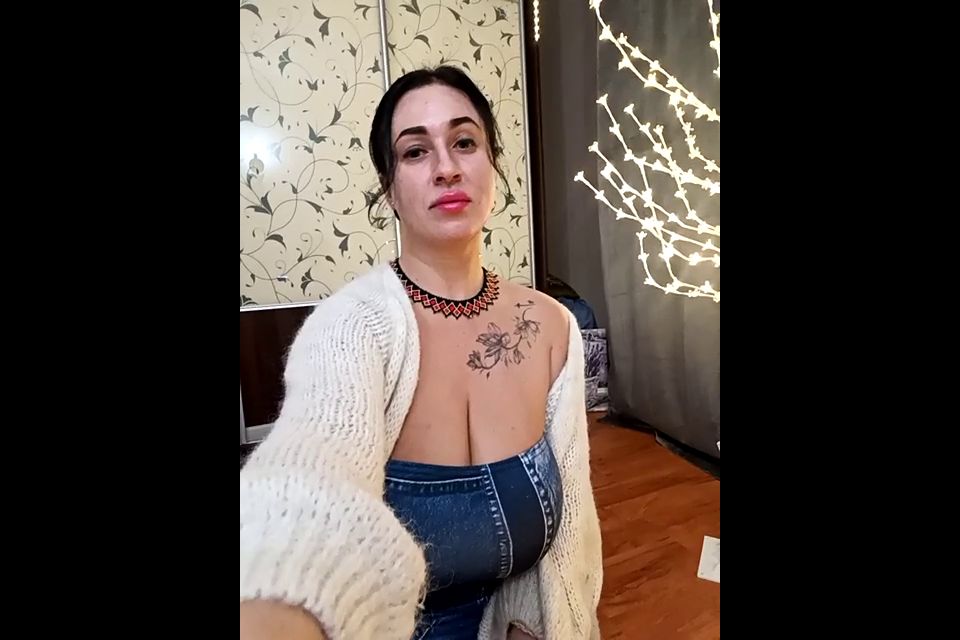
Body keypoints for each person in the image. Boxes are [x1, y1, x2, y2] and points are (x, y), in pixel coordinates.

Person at [240, 65, 602, 640]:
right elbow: (306, 486)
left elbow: (571, 533)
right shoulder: (348, 328)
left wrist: (537, 625)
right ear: (389, 189)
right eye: (415, 151)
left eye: (465, 142)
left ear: (493, 164)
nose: (446, 167)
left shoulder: (552, 326)